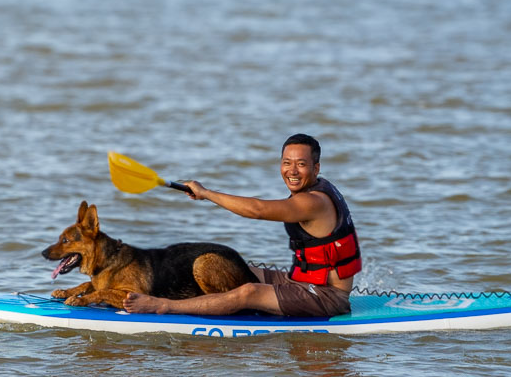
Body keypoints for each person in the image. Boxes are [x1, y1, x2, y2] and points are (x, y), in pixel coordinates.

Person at [123, 133, 361, 318]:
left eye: (301, 164)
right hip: (303, 283)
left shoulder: (313, 202)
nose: (292, 171)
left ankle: (164, 306)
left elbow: (257, 210)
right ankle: (158, 290)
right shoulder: (318, 187)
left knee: (249, 291)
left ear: (316, 168)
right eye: (287, 162)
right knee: (234, 268)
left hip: (327, 297)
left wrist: (206, 193)